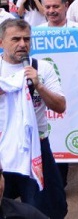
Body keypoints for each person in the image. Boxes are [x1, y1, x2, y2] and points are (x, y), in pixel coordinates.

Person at [0, 19, 68, 219]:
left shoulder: (42, 68)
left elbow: (60, 105)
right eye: (16, 39)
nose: (22, 44)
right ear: (1, 42)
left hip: (35, 148)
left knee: (45, 209)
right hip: (3, 149)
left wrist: (39, 85)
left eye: (27, 39)